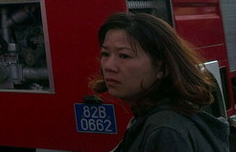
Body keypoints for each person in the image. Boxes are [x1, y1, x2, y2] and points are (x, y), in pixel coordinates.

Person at [91, 12, 229, 151]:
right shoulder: (158, 119)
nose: (109, 66)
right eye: (105, 54)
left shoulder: (166, 132)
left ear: (161, 67)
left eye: (124, 56)